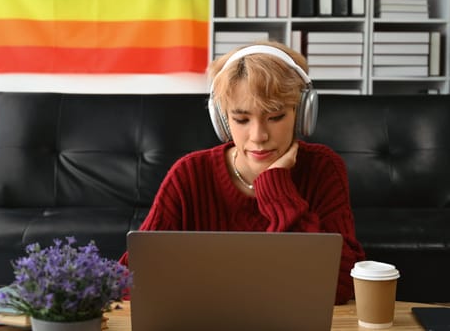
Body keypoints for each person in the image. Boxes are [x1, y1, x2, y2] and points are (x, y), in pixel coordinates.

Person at [119, 41, 366, 304]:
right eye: (241, 119)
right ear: (222, 119)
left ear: (302, 113)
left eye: (275, 116)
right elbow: (127, 281)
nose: (258, 136)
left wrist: (276, 188)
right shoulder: (189, 174)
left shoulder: (324, 168)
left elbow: (340, 288)